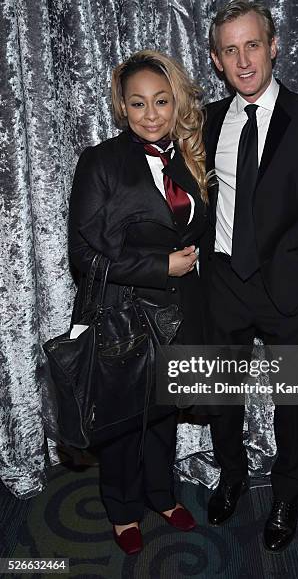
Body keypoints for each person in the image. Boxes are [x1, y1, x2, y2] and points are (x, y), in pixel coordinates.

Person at [200, 0, 298, 552]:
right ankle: (232, 477)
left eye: (253, 45)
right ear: (216, 60)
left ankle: (288, 494)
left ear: (274, 45)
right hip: (223, 284)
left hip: (290, 293)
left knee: (292, 403)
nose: (243, 61)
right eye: (230, 50)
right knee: (222, 395)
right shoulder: (208, 121)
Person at [68, 50, 208, 554]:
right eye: (138, 104)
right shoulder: (101, 161)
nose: (151, 115)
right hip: (124, 312)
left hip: (180, 313)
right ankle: (122, 510)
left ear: (175, 103)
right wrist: (159, 267)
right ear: (122, 108)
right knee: (124, 419)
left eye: (162, 102)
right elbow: (83, 254)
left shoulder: (189, 155)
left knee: (165, 412)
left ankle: (161, 494)